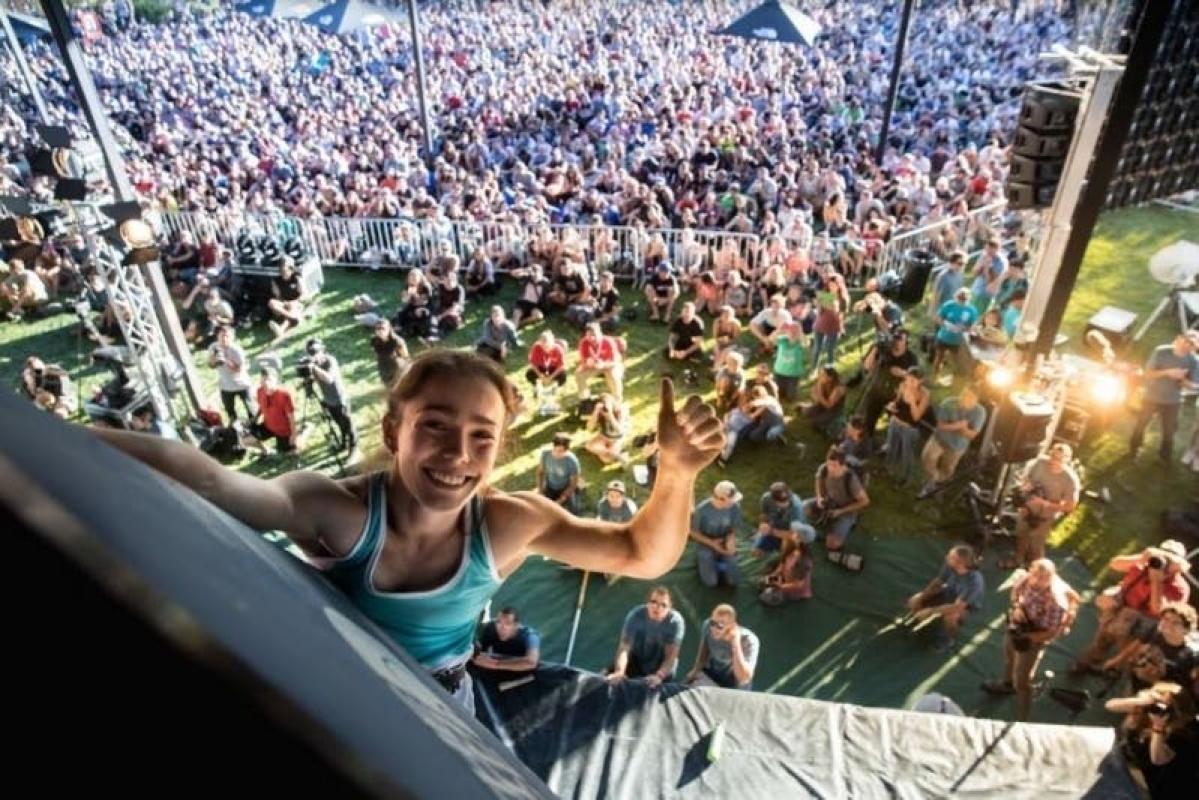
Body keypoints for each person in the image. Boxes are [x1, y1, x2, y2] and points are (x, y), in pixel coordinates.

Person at [91, 350, 724, 708]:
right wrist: (49, 437)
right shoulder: (337, 511)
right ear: (394, 431)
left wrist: (676, 472)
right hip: (333, 699)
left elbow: (641, 554)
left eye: (482, 437)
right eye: (435, 426)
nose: (457, 455)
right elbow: (211, 483)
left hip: (441, 708)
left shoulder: (507, 524)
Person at [1073, 540, 1192, 675]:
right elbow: (1114, 563)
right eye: (1162, 557)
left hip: (1146, 624)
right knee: (1103, 637)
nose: (1164, 563)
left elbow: (1158, 610)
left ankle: (1116, 671)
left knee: (1128, 652)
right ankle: (1088, 661)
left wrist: (1156, 581)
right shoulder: (1142, 567)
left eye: (1170, 561)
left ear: (1178, 567)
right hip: (1121, 609)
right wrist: (1141, 558)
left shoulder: (1179, 587)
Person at [982, 559, 1080, 721]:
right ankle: (1007, 684)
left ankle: (1022, 718)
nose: (1037, 580)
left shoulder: (1055, 601)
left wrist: (1026, 636)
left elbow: (1051, 632)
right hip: (1017, 626)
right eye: (1035, 574)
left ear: (1050, 577)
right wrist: (1017, 609)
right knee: (1009, 656)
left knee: (1022, 680)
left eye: (1043, 577)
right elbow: (1015, 593)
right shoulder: (1027, 579)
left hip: (1033, 638)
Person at [1104, 682, 1198, 800]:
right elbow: (1110, 705)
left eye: (1167, 705)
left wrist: (1158, 727)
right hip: (1139, 783)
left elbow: (1158, 759)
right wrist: (1141, 701)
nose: (1158, 708)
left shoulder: (1184, 732)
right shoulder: (1144, 715)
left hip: (1175, 789)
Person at [999, 442, 1080, 569]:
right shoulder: (1040, 463)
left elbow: (1070, 506)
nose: (1053, 461)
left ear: (1067, 460)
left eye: (1058, 459)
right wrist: (1027, 486)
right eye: (1052, 456)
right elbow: (1026, 478)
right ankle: (1018, 560)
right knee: (1021, 536)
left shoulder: (1070, 479)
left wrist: (1045, 503)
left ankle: (1038, 571)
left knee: (1036, 546)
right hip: (1027, 508)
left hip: (1045, 516)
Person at [1129, 332, 1199, 465]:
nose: (1187, 345)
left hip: (1173, 401)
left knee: (1169, 431)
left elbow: (1193, 385)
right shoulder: (1161, 352)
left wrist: (1182, 380)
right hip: (1151, 397)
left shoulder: (1193, 361)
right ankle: (1134, 449)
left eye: (1192, 344)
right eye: (1186, 341)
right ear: (1178, 338)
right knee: (1141, 424)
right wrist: (1168, 372)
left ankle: (1164, 457)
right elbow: (1147, 374)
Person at [1100, 603, 1197, 692]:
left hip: (1158, 693)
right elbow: (1137, 645)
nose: (1168, 624)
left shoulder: (1189, 655)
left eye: (1176, 623)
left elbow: (1182, 686)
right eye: (1165, 619)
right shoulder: (1156, 631)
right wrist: (1116, 661)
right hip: (1138, 679)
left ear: (1186, 630)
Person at [906, 544, 985, 651]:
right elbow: (938, 582)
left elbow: (957, 607)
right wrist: (921, 597)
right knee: (913, 600)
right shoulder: (950, 565)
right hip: (948, 594)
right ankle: (918, 620)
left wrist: (930, 611)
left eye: (950, 556)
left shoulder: (974, 582)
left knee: (951, 617)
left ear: (959, 563)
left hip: (966, 606)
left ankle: (947, 639)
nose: (946, 557)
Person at [606, 586, 684, 688]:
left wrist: (659, 676)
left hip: (662, 670)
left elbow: (670, 657)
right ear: (647, 602)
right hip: (637, 661)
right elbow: (625, 646)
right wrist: (619, 671)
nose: (657, 607)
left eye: (663, 605)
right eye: (653, 602)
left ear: (670, 608)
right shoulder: (635, 615)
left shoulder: (675, 622)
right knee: (610, 679)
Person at [919, 384, 986, 498]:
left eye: (970, 397)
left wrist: (962, 428)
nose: (965, 398)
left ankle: (937, 488)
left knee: (947, 470)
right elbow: (940, 426)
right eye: (964, 394)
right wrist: (958, 426)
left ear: (976, 400)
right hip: (939, 439)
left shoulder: (980, 412)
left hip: (957, 447)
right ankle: (932, 482)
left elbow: (972, 435)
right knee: (927, 458)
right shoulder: (949, 403)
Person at [803, 447, 870, 551]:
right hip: (829, 503)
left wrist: (840, 511)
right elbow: (818, 480)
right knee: (802, 507)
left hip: (845, 510)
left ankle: (844, 525)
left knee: (832, 544)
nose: (830, 468)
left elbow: (865, 501)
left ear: (842, 465)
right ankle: (822, 525)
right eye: (829, 464)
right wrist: (820, 498)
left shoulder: (850, 479)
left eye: (834, 465)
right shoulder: (824, 468)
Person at [860, 329, 919, 439]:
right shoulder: (884, 350)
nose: (896, 342)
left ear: (906, 342)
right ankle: (867, 440)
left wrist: (902, 373)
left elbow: (915, 379)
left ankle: (892, 441)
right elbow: (867, 367)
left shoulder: (911, 358)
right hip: (877, 391)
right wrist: (875, 348)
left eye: (900, 339)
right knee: (868, 422)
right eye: (895, 338)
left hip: (895, 396)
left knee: (896, 426)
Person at [304, 339, 358, 458]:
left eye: (315, 352)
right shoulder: (314, 364)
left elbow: (329, 379)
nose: (313, 355)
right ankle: (344, 444)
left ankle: (354, 449)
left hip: (340, 399)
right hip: (329, 400)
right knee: (340, 425)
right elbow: (315, 379)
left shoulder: (330, 361)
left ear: (322, 350)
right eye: (310, 353)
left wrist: (314, 368)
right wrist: (308, 378)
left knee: (348, 426)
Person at [685, 604, 759, 690]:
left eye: (720, 625)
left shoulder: (749, 640)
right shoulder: (707, 626)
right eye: (712, 623)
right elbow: (703, 653)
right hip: (713, 676)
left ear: (732, 626)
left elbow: (743, 679)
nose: (713, 628)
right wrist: (695, 670)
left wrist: (735, 642)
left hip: (735, 686)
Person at [884, 366, 932, 486]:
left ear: (920, 381)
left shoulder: (924, 395)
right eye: (908, 379)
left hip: (909, 429)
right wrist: (892, 406)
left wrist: (912, 402)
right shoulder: (902, 386)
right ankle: (888, 468)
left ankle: (906, 478)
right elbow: (897, 402)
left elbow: (916, 417)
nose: (909, 383)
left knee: (907, 454)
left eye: (913, 381)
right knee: (891, 447)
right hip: (895, 422)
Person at [690, 481, 743, 588]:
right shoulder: (702, 510)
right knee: (711, 582)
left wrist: (730, 539)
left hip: (724, 540)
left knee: (733, 581)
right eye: (730, 500)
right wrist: (712, 544)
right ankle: (706, 561)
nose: (734, 502)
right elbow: (693, 533)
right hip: (706, 543)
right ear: (720, 499)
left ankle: (720, 561)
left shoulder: (734, 507)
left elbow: (734, 528)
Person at [241, 366, 296, 456]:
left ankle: (304, 431)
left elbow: (291, 417)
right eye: (263, 381)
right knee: (244, 440)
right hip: (268, 426)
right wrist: (255, 419)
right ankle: (265, 450)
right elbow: (261, 406)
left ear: (275, 380)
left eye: (268, 380)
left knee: (289, 453)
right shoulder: (260, 391)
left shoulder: (284, 395)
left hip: (283, 431)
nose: (265, 384)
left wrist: (294, 434)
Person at [752, 481, 815, 558]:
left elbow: (794, 535)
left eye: (787, 499)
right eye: (781, 501)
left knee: (786, 555)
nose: (786, 503)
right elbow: (764, 514)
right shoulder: (766, 499)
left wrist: (771, 532)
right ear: (773, 499)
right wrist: (763, 523)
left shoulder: (797, 506)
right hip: (775, 527)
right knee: (756, 552)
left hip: (791, 532)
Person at [207, 325, 256, 422]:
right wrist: (213, 359)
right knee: (230, 412)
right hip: (225, 386)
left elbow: (239, 370)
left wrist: (226, 360)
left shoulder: (236, 350)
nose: (224, 339)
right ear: (217, 336)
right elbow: (211, 366)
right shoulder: (213, 347)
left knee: (250, 410)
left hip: (241, 384)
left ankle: (254, 426)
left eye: (227, 336)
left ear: (232, 338)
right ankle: (235, 427)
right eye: (222, 336)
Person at [931, 288, 979, 387]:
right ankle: (935, 377)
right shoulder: (948, 305)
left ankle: (952, 380)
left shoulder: (971, 311)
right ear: (955, 297)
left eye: (964, 300)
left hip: (958, 341)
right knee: (939, 358)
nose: (961, 301)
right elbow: (938, 317)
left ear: (968, 299)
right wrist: (945, 324)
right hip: (943, 337)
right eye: (959, 298)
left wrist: (964, 328)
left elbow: (973, 327)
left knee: (956, 361)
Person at [472, 607, 540, 673]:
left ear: (516, 625)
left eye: (508, 623)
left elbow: (531, 662)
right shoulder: (491, 627)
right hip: (495, 665)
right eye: (499, 622)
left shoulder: (529, 636)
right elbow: (479, 651)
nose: (502, 627)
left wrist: (495, 664)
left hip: (521, 671)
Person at [575, 322, 625, 402]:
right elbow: (582, 360)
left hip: (609, 365)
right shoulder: (584, 342)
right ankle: (585, 399)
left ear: (600, 333)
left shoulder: (608, 341)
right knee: (578, 374)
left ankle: (617, 399)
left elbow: (615, 361)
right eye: (589, 335)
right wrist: (587, 363)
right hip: (594, 366)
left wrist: (604, 364)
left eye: (594, 335)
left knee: (614, 375)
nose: (592, 338)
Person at [758, 539, 814, 606]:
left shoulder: (805, 561)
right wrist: (771, 577)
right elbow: (779, 569)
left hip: (793, 590)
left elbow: (799, 585)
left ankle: (777, 594)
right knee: (761, 581)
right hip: (784, 580)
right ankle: (770, 589)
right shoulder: (790, 551)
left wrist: (780, 587)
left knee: (766, 597)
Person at [800, 365, 846, 438]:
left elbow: (829, 406)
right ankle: (808, 409)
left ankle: (833, 425)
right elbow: (814, 395)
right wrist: (818, 395)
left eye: (823, 375)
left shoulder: (839, 389)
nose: (820, 376)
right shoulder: (822, 381)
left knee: (815, 421)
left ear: (830, 378)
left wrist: (819, 395)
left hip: (833, 411)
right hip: (822, 405)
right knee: (806, 413)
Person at [584, 393, 629, 465]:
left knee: (606, 460)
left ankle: (613, 452)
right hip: (603, 436)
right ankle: (616, 454)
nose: (605, 410)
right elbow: (589, 428)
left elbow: (620, 431)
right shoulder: (599, 411)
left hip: (616, 439)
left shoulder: (620, 411)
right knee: (588, 446)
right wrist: (596, 411)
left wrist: (610, 417)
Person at [267, 258, 305, 340]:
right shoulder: (276, 281)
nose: (283, 271)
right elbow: (278, 297)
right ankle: (294, 317)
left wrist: (293, 302)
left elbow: (302, 295)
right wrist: (285, 303)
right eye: (281, 269)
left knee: (292, 306)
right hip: (284, 304)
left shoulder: (296, 278)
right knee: (271, 302)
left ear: (290, 268)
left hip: (296, 303)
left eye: (285, 268)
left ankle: (281, 329)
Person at [770, 318, 807, 402]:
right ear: (786, 332)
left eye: (795, 332)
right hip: (779, 372)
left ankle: (791, 391)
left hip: (793, 375)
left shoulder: (800, 343)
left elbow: (805, 343)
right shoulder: (782, 340)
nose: (792, 334)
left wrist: (799, 330)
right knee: (778, 394)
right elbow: (771, 339)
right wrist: (779, 330)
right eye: (790, 331)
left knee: (791, 397)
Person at [370, 318, 410, 388]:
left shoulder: (397, 341)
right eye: (378, 328)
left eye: (383, 328)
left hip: (397, 369)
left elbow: (406, 357)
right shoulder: (374, 340)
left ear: (389, 329)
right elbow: (375, 353)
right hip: (384, 368)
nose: (380, 331)